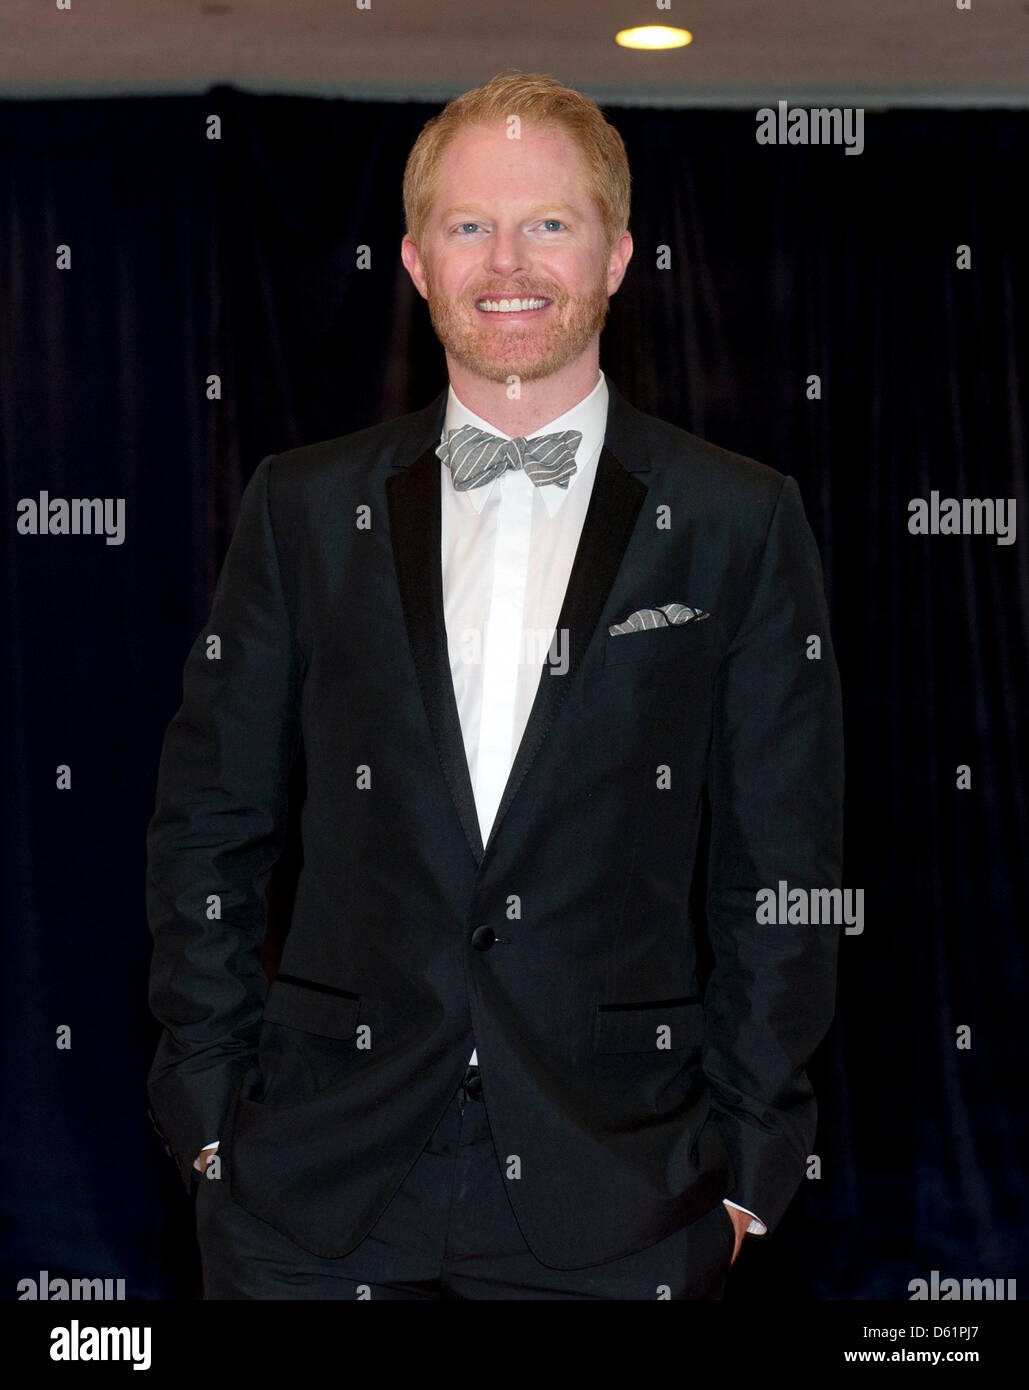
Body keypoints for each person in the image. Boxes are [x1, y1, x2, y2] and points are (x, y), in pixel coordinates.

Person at [146, 70, 844, 1300]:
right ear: (416, 260)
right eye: (471, 225)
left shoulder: (739, 518)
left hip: (626, 1191)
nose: (508, 261)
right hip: (314, 1192)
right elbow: (208, 827)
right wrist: (208, 1120)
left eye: (549, 224)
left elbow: (781, 869)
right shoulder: (303, 507)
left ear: (619, 255)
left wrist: (748, 1164)